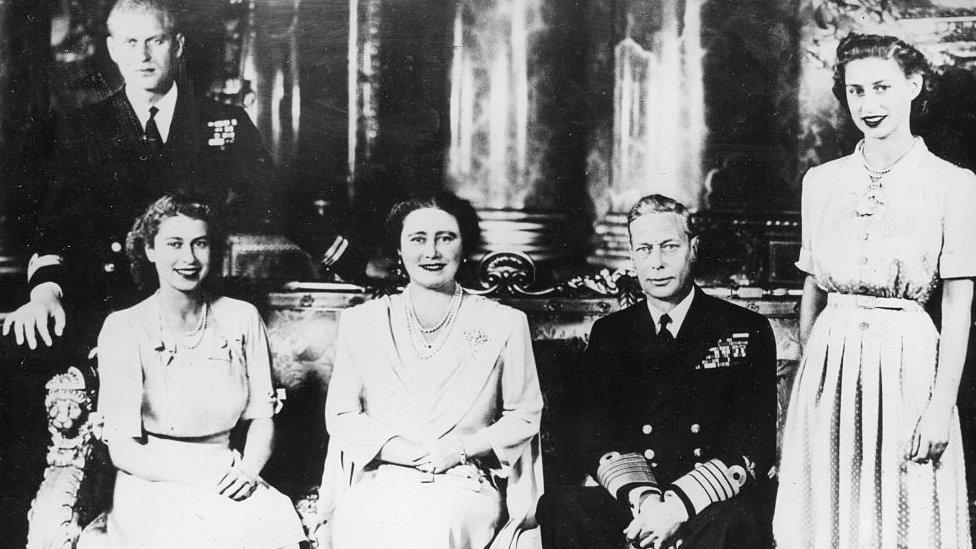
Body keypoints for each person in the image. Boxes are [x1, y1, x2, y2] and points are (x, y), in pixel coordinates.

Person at [2, 0, 364, 355]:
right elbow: (57, 224)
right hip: (109, 307)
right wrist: (46, 289)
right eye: (131, 42)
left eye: (155, 40)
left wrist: (350, 260)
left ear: (177, 45)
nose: (143, 55)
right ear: (113, 50)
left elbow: (279, 203)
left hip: (195, 307)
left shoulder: (224, 123)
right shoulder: (81, 129)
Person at [773, 33, 976, 548]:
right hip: (831, 365)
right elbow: (812, 288)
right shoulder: (821, 182)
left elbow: (956, 303)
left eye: (882, 87)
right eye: (856, 91)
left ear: (914, 84)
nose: (869, 104)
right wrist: (810, 376)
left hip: (907, 362)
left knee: (904, 510)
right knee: (828, 510)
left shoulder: (954, 184)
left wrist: (939, 404)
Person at [536, 194, 778, 549]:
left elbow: (753, 441)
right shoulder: (611, 332)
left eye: (669, 247)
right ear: (632, 255)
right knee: (565, 506)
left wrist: (676, 507)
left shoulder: (744, 327)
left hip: (708, 501)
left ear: (692, 249)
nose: (657, 263)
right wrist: (647, 502)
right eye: (645, 249)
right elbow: (595, 432)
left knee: (734, 522)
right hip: (640, 497)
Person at [316, 192, 544, 549]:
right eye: (418, 239)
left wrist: (461, 450)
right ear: (399, 250)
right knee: (360, 521)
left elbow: (525, 415)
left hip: (463, 479)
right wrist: (404, 451)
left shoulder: (505, 323)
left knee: (434, 526)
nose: (432, 252)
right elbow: (343, 415)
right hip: (383, 474)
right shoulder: (363, 322)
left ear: (464, 246)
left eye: (445, 238)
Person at [80, 193, 306, 548]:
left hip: (230, 471)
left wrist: (247, 472)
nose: (188, 258)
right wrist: (203, 480)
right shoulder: (125, 327)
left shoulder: (242, 317)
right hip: (151, 479)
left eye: (199, 244)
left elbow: (263, 419)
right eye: (174, 244)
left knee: (265, 528)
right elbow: (123, 451)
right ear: (150, 250)